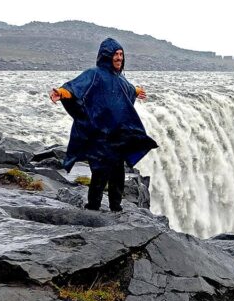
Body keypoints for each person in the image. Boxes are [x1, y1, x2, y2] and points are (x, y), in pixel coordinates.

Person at [49, 38, 158, 211]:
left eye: (121, 54)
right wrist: (62, 93)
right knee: (100, 173)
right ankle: (93, 207)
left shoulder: (120, 79)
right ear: (107, 56)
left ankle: (116, 207)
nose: (119, 58)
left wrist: (137, 90)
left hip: (117, 137)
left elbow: (128, 90)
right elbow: (75, 88)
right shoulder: (94, 74)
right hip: (99, 137)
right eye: (116, 54)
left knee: (118, 174)